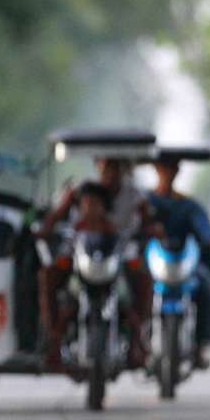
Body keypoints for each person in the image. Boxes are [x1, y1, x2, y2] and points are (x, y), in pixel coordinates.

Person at [37, 158, 160, 370]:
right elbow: (55, 217)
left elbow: (147, 223)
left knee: (139, 283)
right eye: (106, 168)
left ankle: (138, 340)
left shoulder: (126, 204)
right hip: (80, 261)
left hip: (116, 260)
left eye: (116, 168)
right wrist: (46, 229)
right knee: (49, 276)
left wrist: (150, 231)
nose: (111, 174)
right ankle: (52, 337)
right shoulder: (81, 192)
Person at [147, 157, 210, 369]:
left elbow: (204, 227)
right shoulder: (145, 202)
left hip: (184, 264)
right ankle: (133, 343)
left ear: (177, 172)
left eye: (172, 168)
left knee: (207, 288)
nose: (169, 172)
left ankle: (199, 346)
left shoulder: (188, 205)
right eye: (165, 167)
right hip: (150, 264)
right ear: (157, 169)